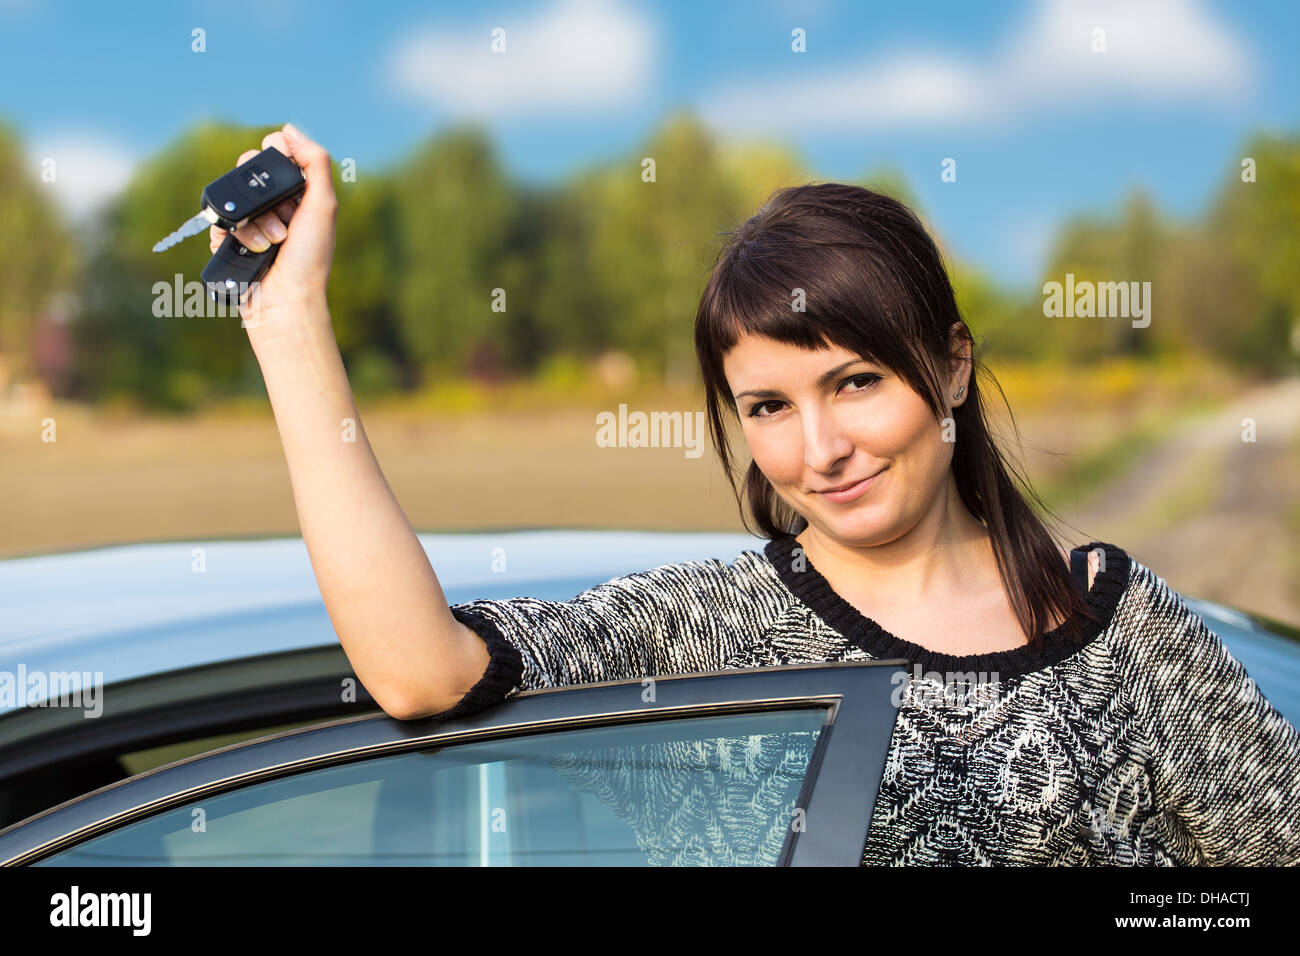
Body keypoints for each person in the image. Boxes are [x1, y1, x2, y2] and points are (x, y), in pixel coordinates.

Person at [225, 123, 1300, 865]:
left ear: (953, 366)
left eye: (856, 382)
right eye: (770, 406)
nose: (821, 447)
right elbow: (420, 673)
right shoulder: (705, 631)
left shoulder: (1124, 628)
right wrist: (291, 323)